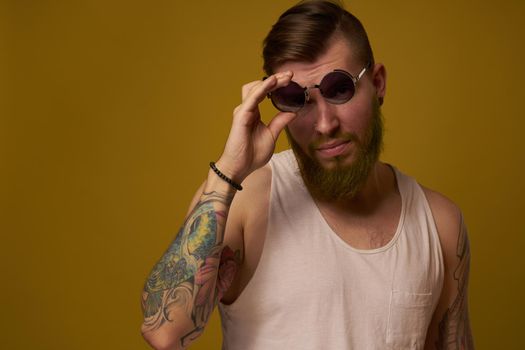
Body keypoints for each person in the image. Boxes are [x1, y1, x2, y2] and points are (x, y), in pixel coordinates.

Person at [140, 1, 474, 349]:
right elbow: (164, 331)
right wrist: (229, 168)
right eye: (296, 99)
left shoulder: (440, 225)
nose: (325, 124)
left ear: (377, 84)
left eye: (340, 89)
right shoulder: (247, 201)